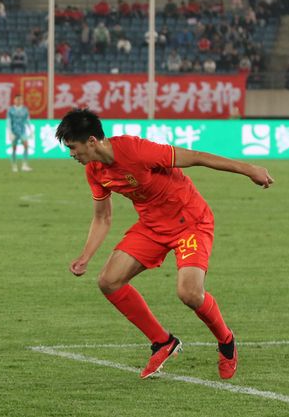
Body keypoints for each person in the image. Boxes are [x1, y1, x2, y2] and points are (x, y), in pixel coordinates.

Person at [55, 109, 273, 380]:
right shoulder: (94, 171)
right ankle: (163, 342)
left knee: (190, 294)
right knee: (108, 281)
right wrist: (86, 256)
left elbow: (196, 157)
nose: (72, 154)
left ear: (91, 141)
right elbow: (103, 217)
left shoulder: (136, 150)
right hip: (152, 226)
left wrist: (249, 169)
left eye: (73, 148)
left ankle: (226, 340)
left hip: (190, 220)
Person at [6, 94, 32, 172]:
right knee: (14, 148)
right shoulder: (11, 110)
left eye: (20, 100)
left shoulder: (25, 109)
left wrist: (30, 130)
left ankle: (24, 165)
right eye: (17, 100)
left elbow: (27, 120)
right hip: (14, 131)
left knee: (26, 145)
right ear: (14, 101)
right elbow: (9, 121)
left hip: (22, 130)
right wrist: (10, 132)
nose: (19, 101)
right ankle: (14, 165)